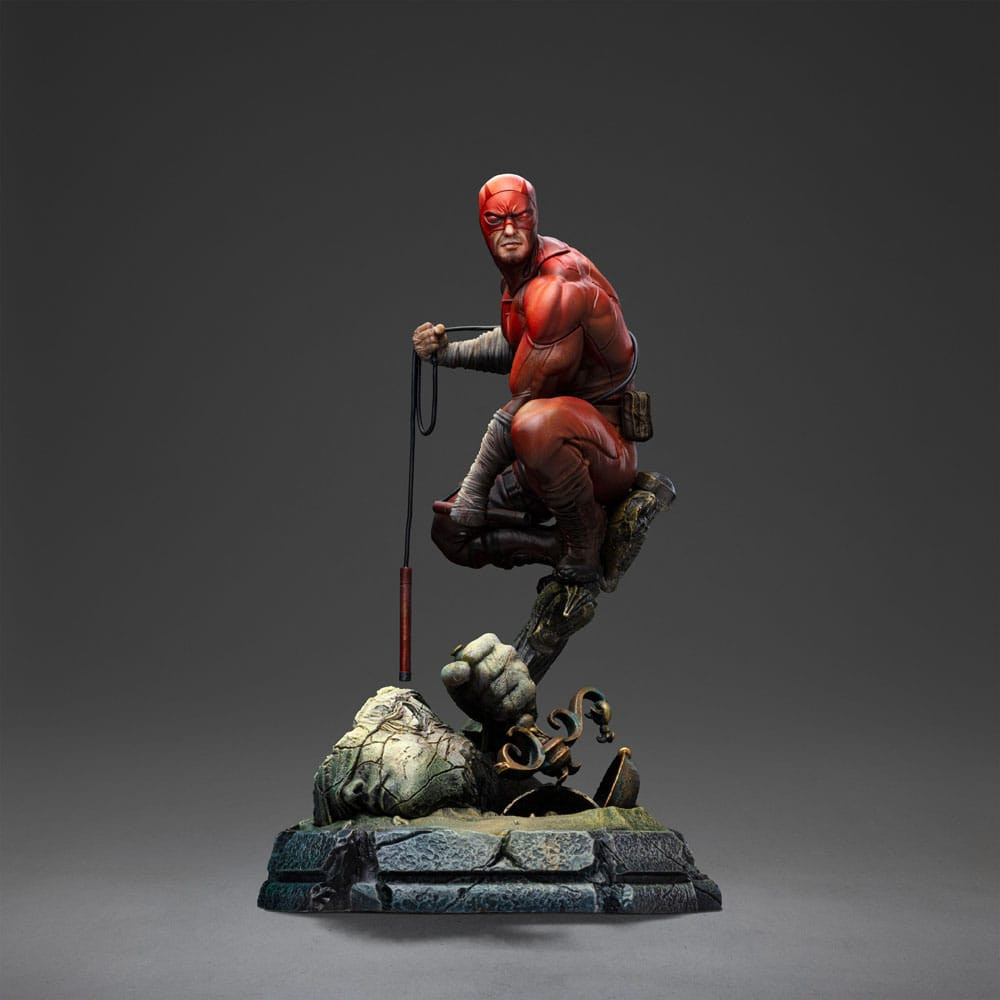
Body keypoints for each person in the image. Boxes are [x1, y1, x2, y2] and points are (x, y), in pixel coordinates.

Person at [413, 173, 645, 586]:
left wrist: (476, 489)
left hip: (602, 452)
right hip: (542, 455)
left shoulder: (559, 285)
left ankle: (585, 540)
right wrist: (445, 354)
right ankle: (559, 547)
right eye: (495, 219)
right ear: (482, 226)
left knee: (533, 423)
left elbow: (524, 398)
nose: (508, 230)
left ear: (534, 217)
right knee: (450, 532)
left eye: (518, 217)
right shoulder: (521, 278)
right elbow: (520, 345)